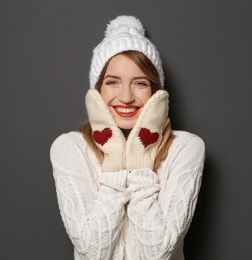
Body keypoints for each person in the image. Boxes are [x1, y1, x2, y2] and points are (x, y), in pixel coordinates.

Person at [50, 15, 205, 260]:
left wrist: (140, 158)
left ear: (156, 93)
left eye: (140, 83)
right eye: (112, 82)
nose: (126, 97)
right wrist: (114, 160)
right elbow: (93, 252)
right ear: (97, 91)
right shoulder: (69, 148)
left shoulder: (186, 148)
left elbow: (157, 253)